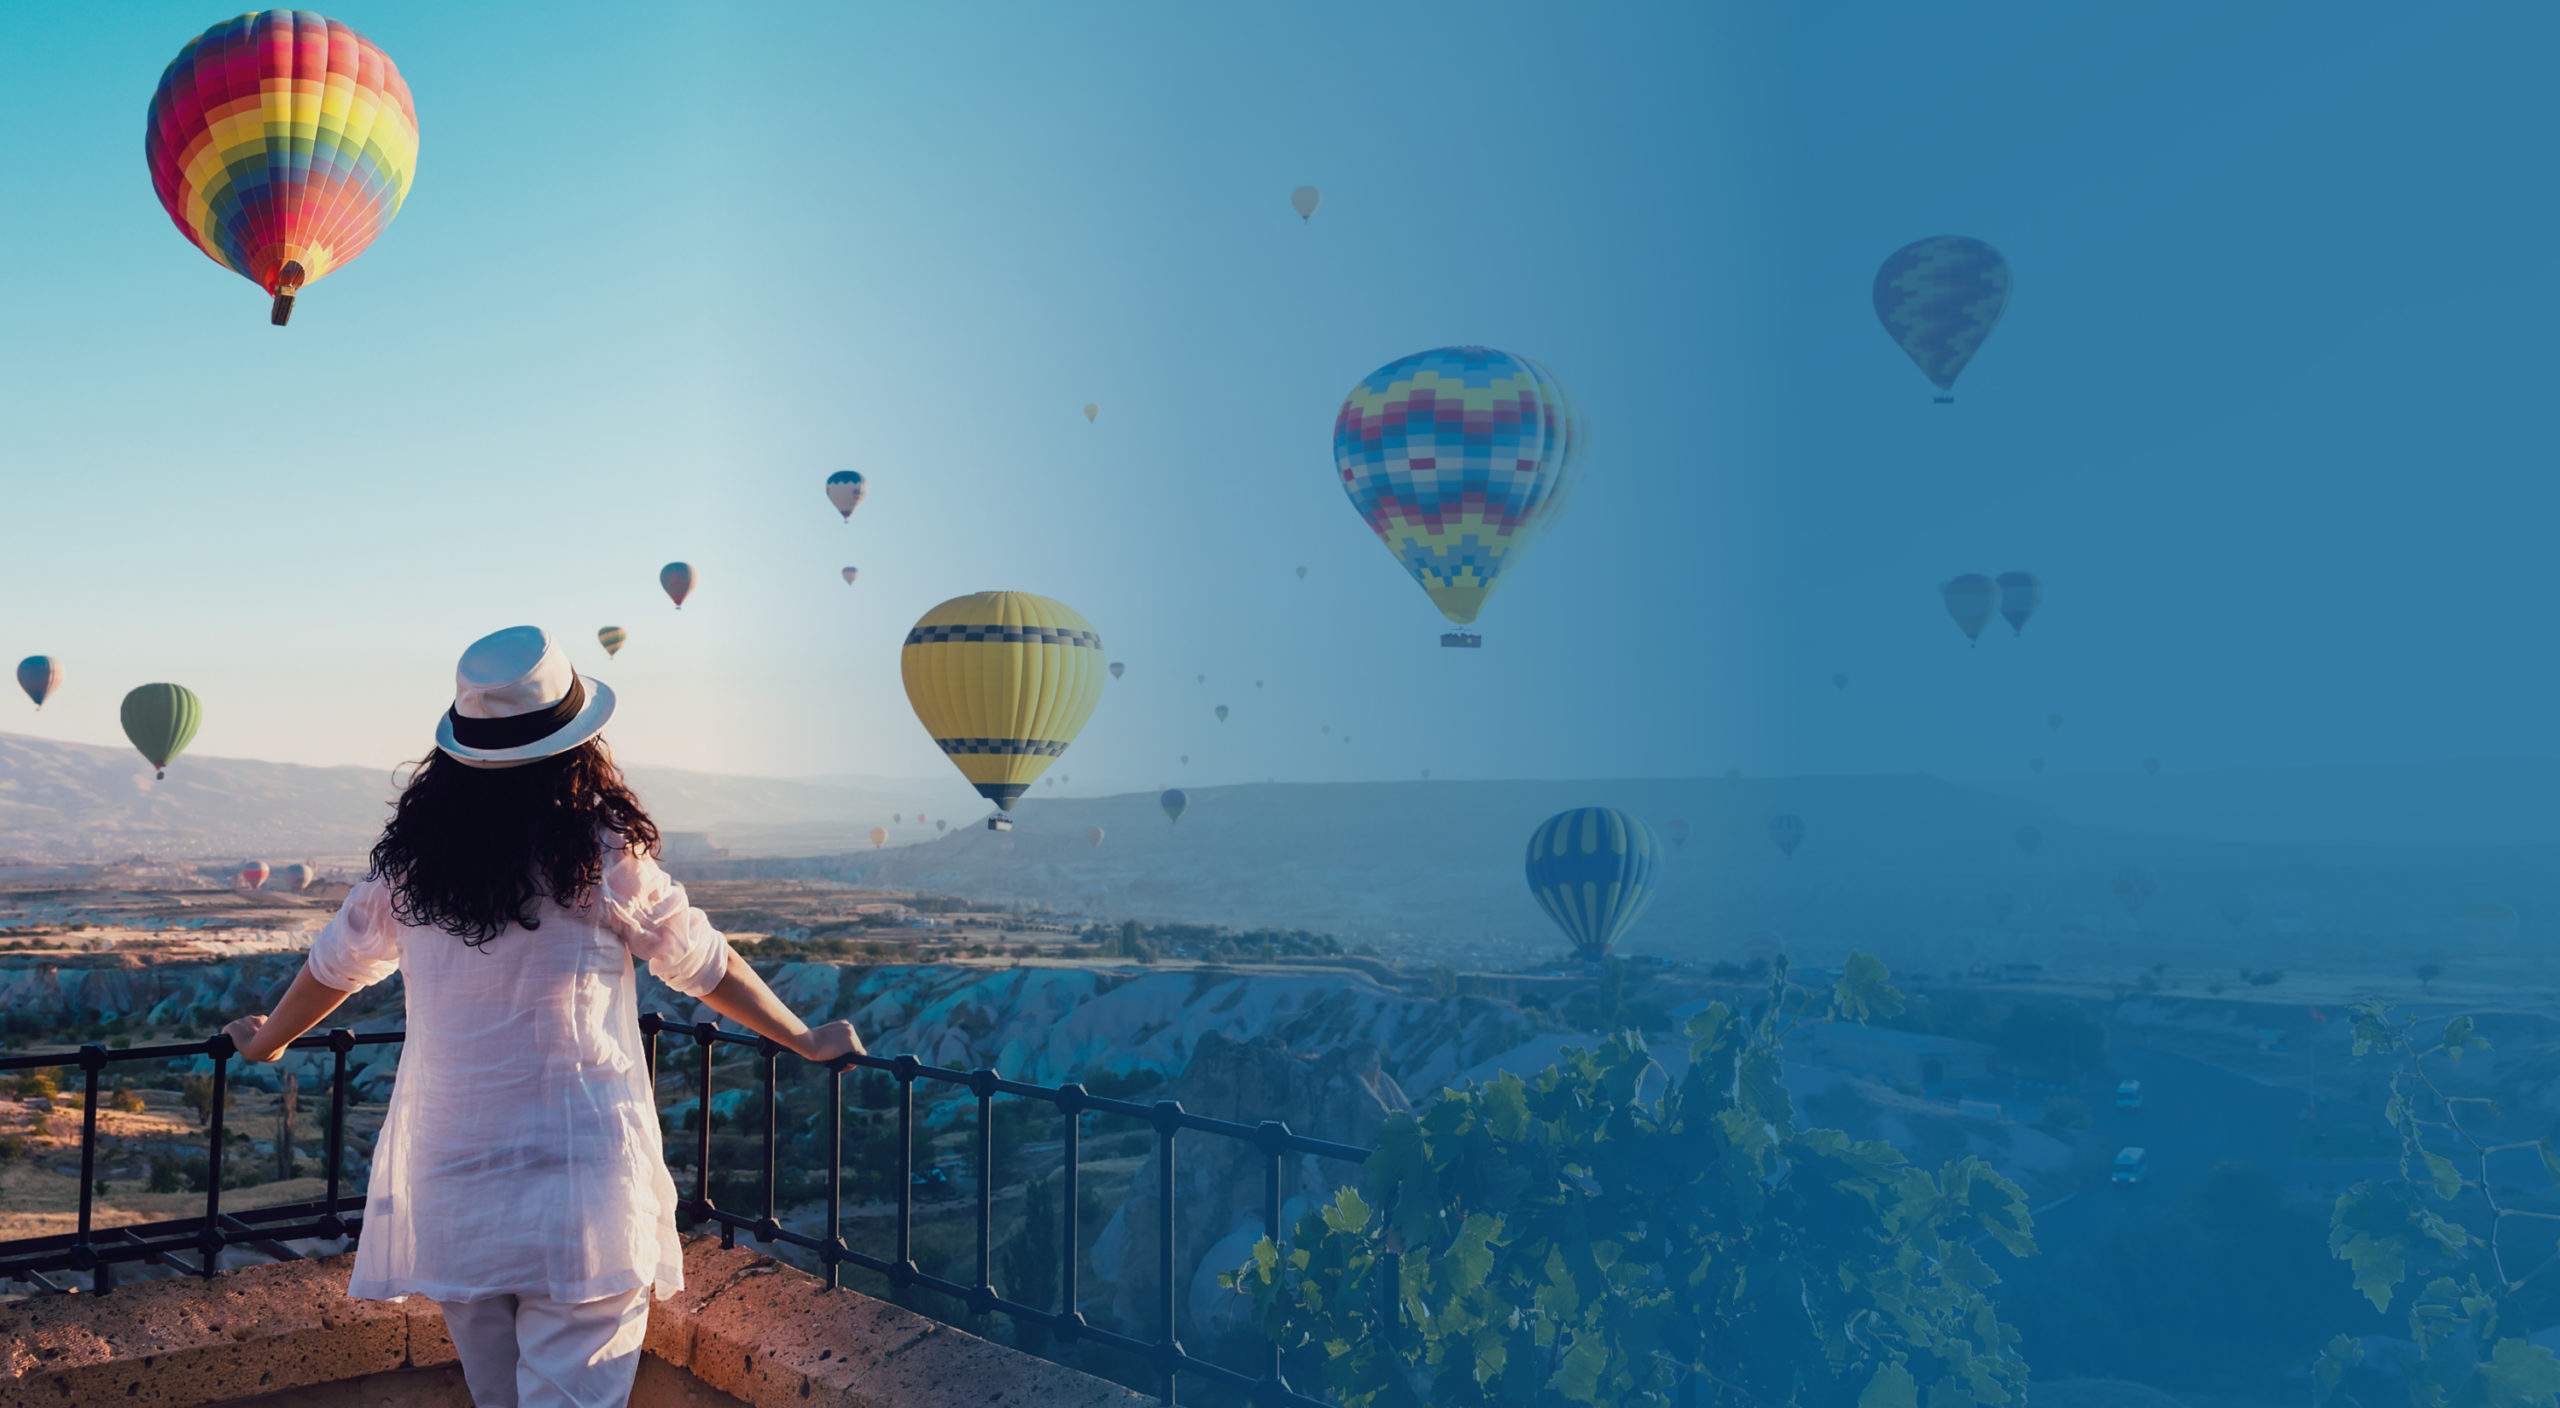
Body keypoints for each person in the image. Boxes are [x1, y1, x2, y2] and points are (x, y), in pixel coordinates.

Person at [220, 625, 862, 1408]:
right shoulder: (601, 854)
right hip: (580, 1187)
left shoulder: (414, 867)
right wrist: (800, 1036)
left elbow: (334, 968)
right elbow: (703, 963)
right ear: (576, 743)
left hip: (455, 1184)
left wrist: (266, 1043)